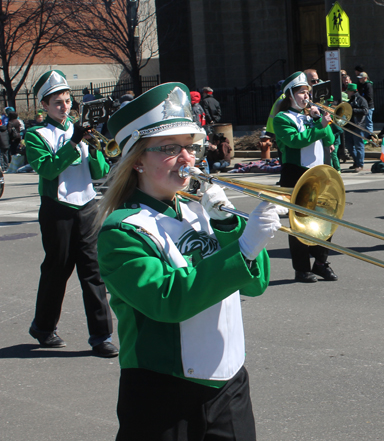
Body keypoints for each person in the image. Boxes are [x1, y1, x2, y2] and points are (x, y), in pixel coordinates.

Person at [96, 81, 282, 440]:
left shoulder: (198, 210)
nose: (186, 159)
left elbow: (255, 285)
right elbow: (169, 299)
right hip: (163, 391)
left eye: (190, 147)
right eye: (169, 149)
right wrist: (242, 248)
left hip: (229, 383)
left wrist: (230, 225)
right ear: (136, 160)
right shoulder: (121, 232)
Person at [25, 70, 118, 356]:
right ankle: (43, 327)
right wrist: (74, 142)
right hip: (58, 209)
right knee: (57, 269)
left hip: (87, 206)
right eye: (57, 103)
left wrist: (95, 149)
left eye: (67, 101)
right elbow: (48, 168)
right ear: (44, 106)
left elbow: (100, 172)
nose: (65, 107)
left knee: (93, 271)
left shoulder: (80, 129)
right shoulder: (35, 135)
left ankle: (101, 336)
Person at [273, 71, 339, 283]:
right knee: (300, 224)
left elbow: (328, 138)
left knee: (326, 219)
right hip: (296, 174)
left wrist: (320, 120)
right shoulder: (282, 118)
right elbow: (295, 141)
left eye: (307, 92)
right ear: (290, 95)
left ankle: (321, 262)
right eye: (302, 92)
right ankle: (301, 268)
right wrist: (318, 128)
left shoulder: (312, 115)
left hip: (319, 172)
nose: (306, 97)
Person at [345, 83, 368, 172]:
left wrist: (352, 110)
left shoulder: (361, 100)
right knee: (349, 146)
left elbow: (365, 110)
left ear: (352, 91)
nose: (347, 93)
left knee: (359, 146)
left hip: (358, 125)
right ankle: (356, 162)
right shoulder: (349, 101)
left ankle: (360, 164)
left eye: (348, 91)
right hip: (349, 126)